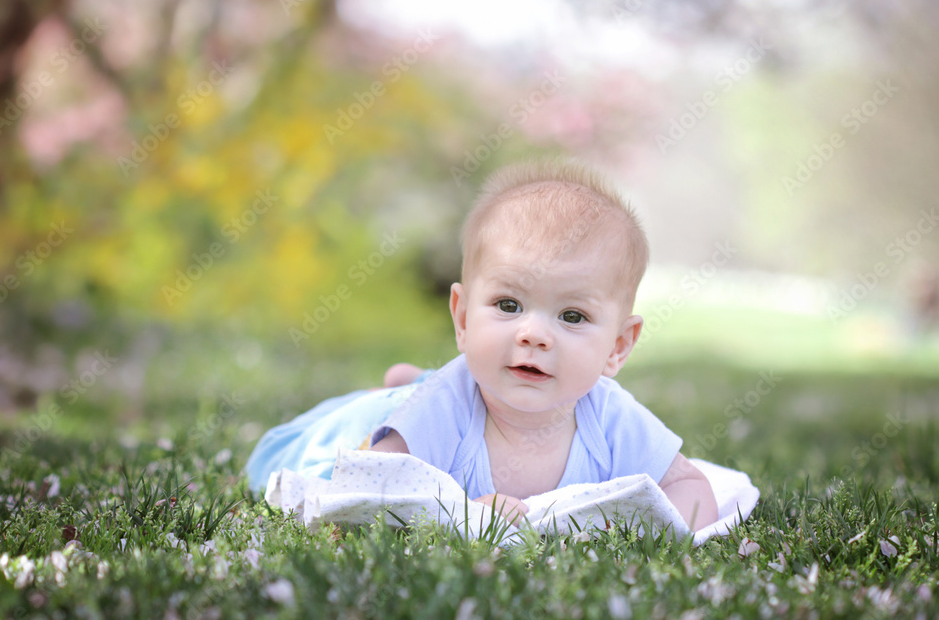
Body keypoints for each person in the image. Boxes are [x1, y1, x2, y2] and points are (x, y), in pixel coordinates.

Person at [247, 158, 718, 531]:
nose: (533, 334)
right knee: (320, 445)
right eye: (509, 305)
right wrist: (462, 514)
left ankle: (409, 380)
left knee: (425, 396)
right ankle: (399, 393)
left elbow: (691, 488)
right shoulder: (448, 407)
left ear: (617, 346)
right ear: (463, 317)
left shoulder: (612, 418)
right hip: (386, 424)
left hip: (450, 390)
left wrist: (629, 527)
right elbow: (367, 487)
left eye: (572, 316)